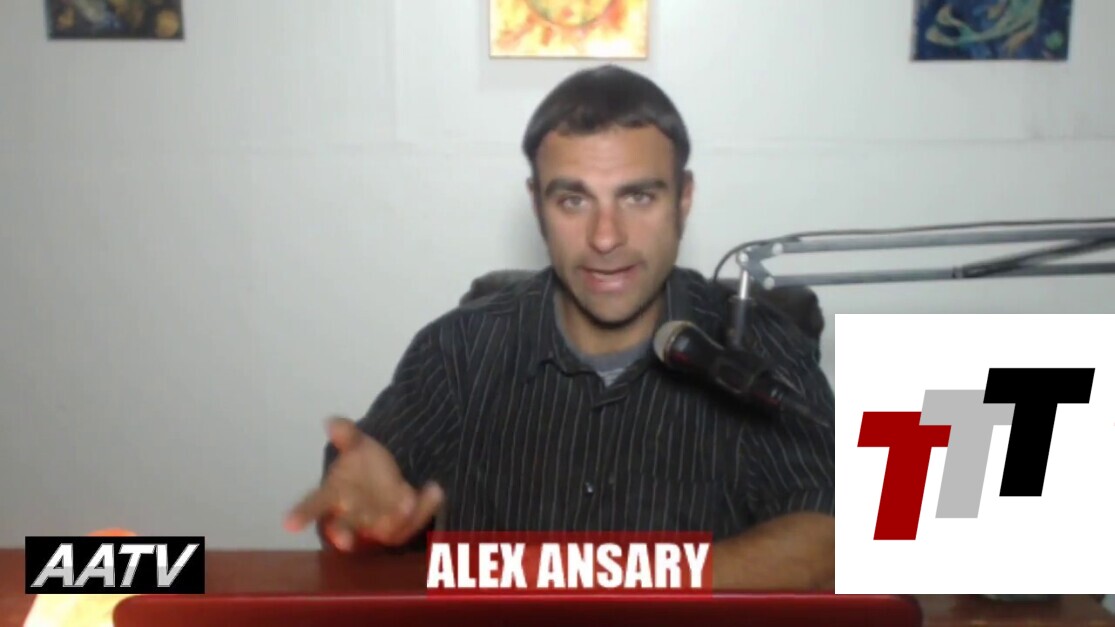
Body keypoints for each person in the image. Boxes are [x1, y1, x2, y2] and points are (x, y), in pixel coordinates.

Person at [284, 64, 836, 590]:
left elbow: (833, 537)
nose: (605, 237)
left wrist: (607, 582)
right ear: (538, 206)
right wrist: (358, 516)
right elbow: (362, 509)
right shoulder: (458, 351)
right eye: (573, 200)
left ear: (684, 200)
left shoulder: (758, 347)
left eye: (638, 196)